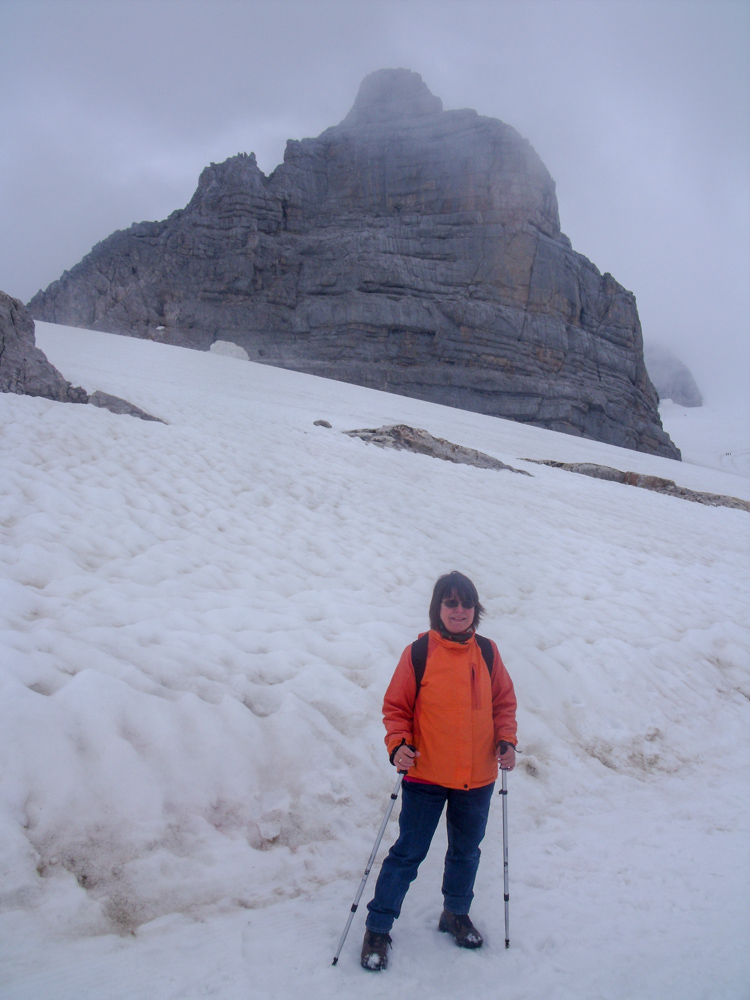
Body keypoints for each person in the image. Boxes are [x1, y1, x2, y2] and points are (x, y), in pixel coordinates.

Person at [361, 571, 517, 972]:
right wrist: (398, 746)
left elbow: (503, 704)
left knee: (466, 852)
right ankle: (378, 928)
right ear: (438, 608)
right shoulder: (418, 653)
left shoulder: (487, 652)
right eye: (451, 603)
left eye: (466, 604)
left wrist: (507, 740)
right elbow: (396, 709)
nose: (460, 610)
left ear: (474, 610)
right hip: (426, 774)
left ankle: (455, 914)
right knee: (408, 854)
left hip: (477, 777)